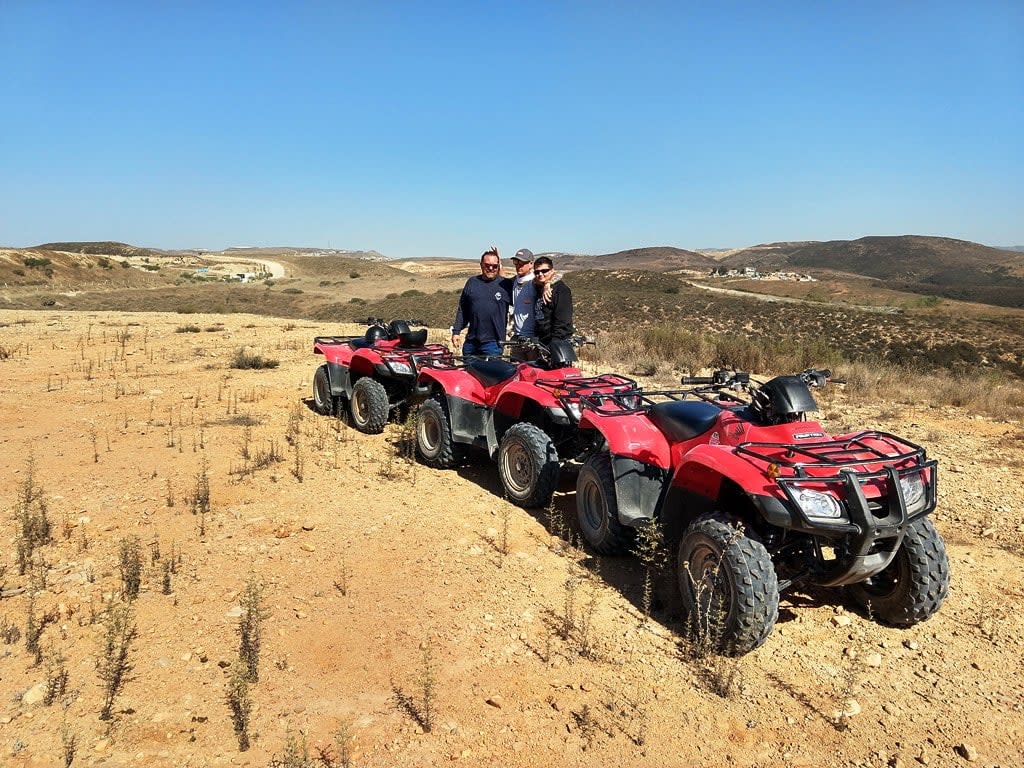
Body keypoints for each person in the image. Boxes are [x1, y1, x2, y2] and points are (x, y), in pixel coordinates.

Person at [451, 246, 512, 357]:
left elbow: (524, 292)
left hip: (493, 343)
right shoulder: (472, 282)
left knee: (491, 374)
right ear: (481, 265)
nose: (491, 268)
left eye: (494, 266)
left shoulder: (506, 285)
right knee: (467, 373)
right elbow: (463, 309)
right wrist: (456, 332)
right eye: (487, 265)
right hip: (471, 342)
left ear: (498, 266)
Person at [533, 255, 573, 346]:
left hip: (557, 343)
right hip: (541, 342)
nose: (540, 274)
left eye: (544, 271)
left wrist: (555, 342)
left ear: (552, 271)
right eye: (537, 272)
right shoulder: (539, 287)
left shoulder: (561, 290)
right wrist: (547, 284)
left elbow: (562, 320)